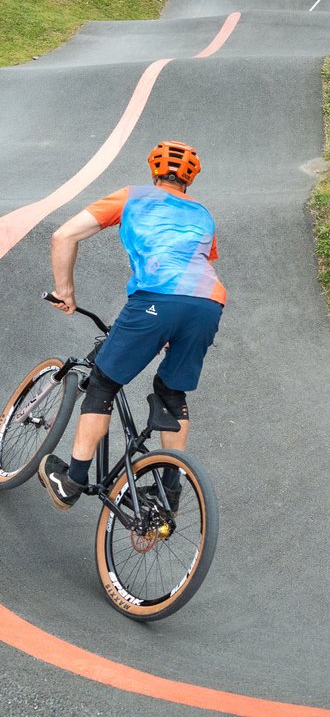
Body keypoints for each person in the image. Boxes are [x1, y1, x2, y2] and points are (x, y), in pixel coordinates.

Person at [38, 141, 226, 511]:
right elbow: (197, 261)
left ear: (154, 171)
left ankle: (73, 480)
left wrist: (66, 291)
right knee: (172, 392)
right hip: (207, 304)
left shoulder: (131, 197)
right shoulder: (203, 214)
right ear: (189, 179)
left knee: (104, 381)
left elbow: (64, 236)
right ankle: (170, 492)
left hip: (156, 298)